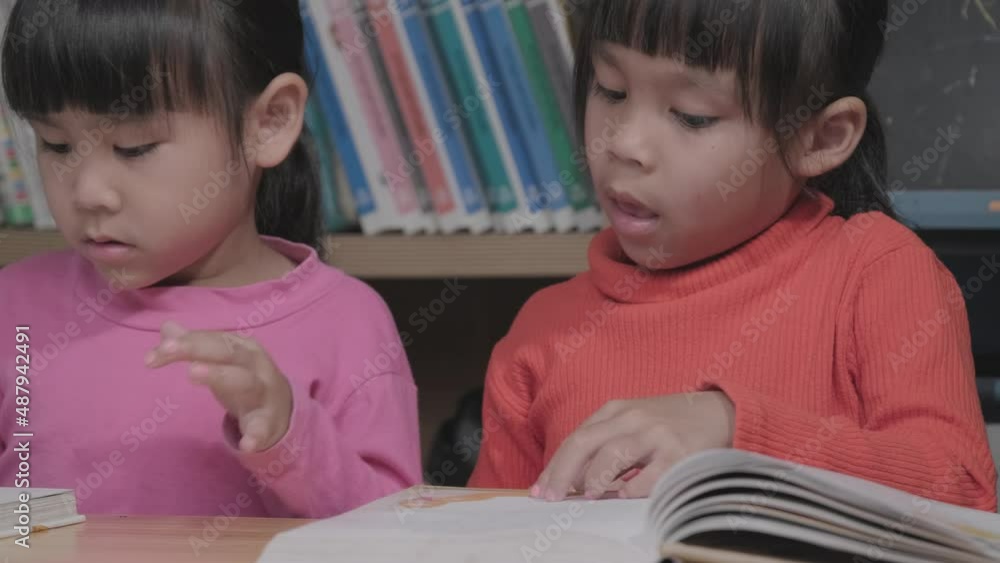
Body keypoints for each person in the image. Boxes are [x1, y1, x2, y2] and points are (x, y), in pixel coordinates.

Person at [468, 0, 997, 512]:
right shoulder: (541, 333)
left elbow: (965, 493)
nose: (624, 142)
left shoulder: (877, 274)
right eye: (611, 89)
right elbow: (482, 533)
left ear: (821, 138)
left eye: (692, 116)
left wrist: (734, 428)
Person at [0, 0, 420, 518]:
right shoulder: (14, 307)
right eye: (56, 145)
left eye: (134, 147)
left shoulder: (347, 323)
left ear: (269, 122)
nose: (87, 192)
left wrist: (290, 435)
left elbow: (394, 533)